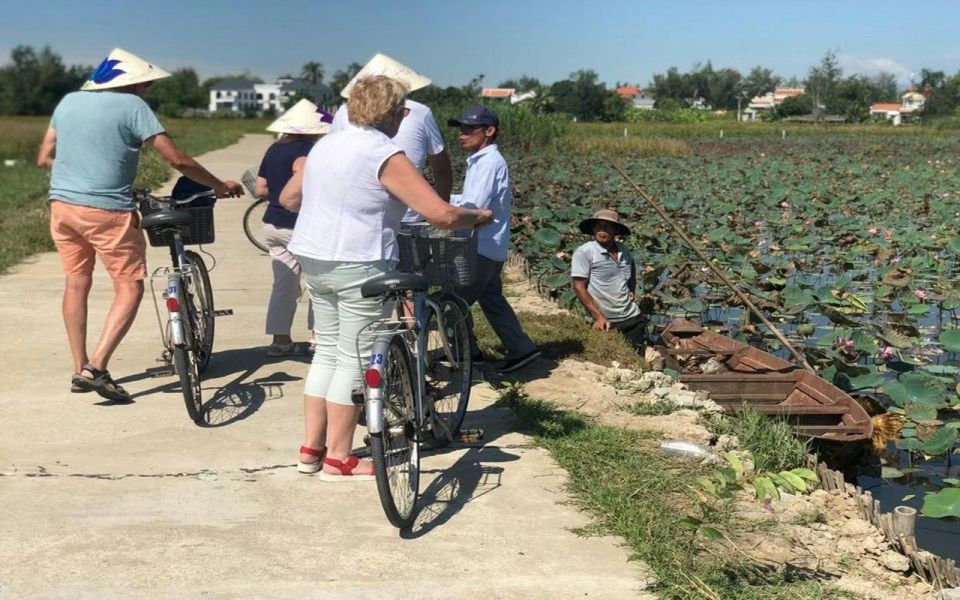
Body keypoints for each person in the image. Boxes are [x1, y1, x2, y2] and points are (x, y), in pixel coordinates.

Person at [283, 76, 492, 480]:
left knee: (326, 351)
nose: (404, 116)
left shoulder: (326, 144)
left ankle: (312, 448)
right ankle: (339, 458)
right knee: (354, 358)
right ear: (394, 112)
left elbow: (290, 199)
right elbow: (442, 214)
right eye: (403, 109)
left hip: (314, 258)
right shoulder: (383, 153)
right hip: (359, 261)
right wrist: (478, 216)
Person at [36, 48, 242, 402]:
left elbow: (45, 158)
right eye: (145, 82)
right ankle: (95, 367)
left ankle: (78, 365)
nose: (147, 88)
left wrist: (82, 172)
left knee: (76, 283)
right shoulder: (134, 108)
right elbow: (175, 158)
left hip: (63, 208)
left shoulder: (68, 102)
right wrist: (218, 186)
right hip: (107, 210)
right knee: (129, 287)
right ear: (131, 83)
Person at [448, 106, 540, 373]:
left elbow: (474, 207)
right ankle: (522, 349)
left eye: (468, 130)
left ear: (489, 132)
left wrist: (443, 210)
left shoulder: (488, 163)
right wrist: (446, 201)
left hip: (481, 245)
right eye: (460, 129)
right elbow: (472, 204)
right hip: (491, 245)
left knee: (451, 301)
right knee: (491, 299)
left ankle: (466, 353)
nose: (461, 135)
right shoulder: (482, 160)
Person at [254, 99, 332, 357]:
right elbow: (302, 171)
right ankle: (317, 338)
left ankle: (280, 341)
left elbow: (260, 189)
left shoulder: (273, 148)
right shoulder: (306, 150)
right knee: (317, 283)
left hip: (272, 224)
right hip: (300, 225)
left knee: (284, 284)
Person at [330, 53, 453, 211]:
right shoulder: (418, 115)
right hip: (409, 213)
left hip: (354, 212)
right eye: (402, 112)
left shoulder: (340, 116)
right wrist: (443, 207)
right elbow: (441, 167)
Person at [571, 209, 647, 351]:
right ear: (593, 229)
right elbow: (579, 287)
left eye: (608, 226)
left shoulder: (623, 249)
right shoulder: (585, 252)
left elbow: (632, 268)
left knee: (637, 358)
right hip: (606, 321)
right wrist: (598, 317)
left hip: (632, 317)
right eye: (599, 226)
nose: (602, 230)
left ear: (616, 230)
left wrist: (632, 289)